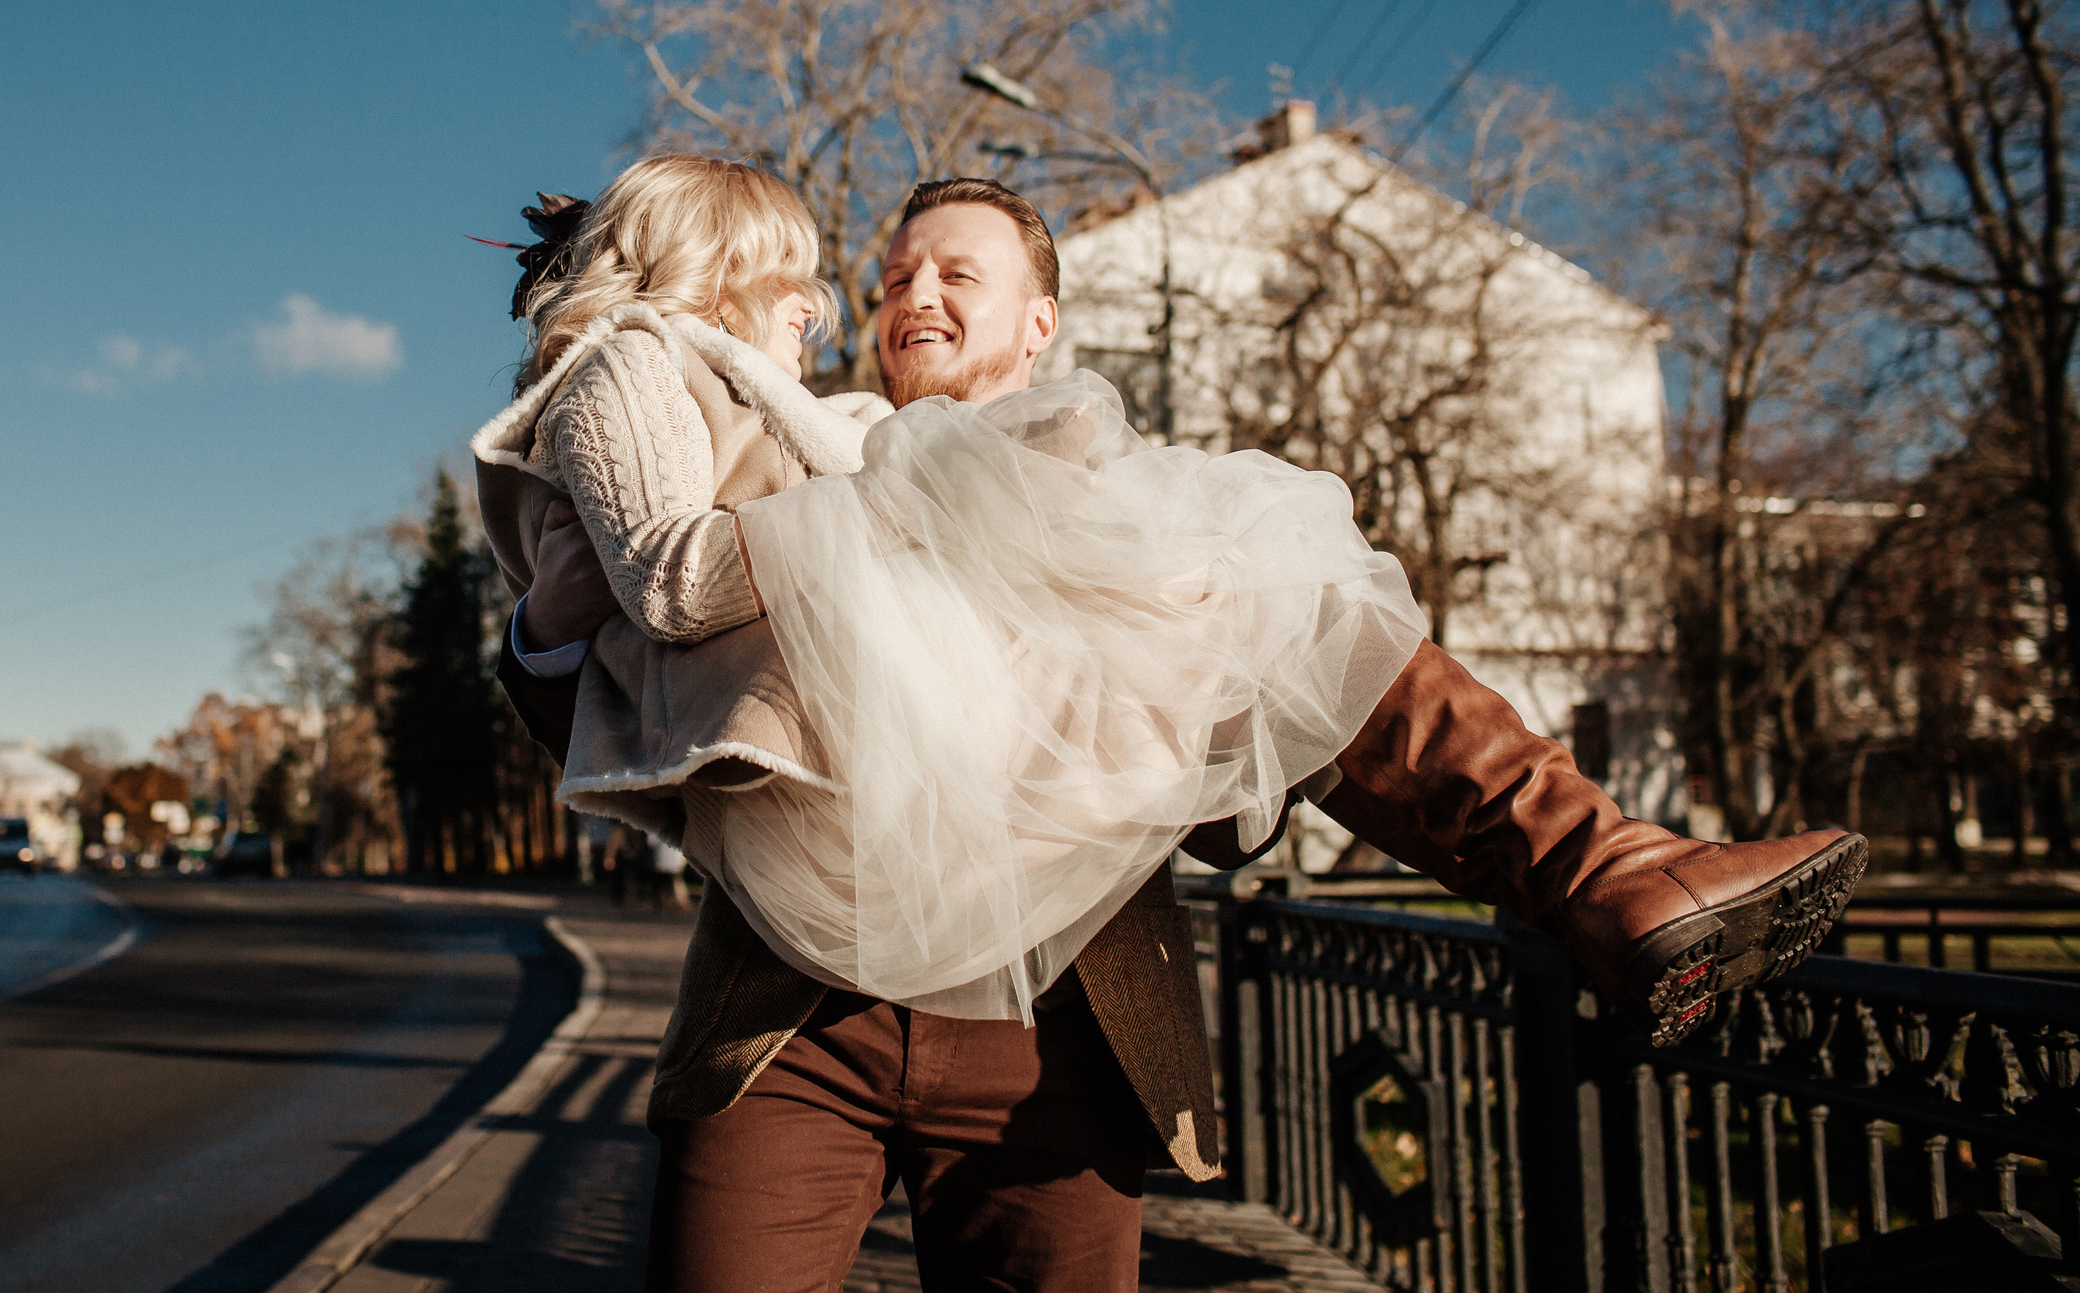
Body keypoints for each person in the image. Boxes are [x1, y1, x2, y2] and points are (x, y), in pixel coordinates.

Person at [484, 167, 1866, 1293]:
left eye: (959, 273)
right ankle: (1615, 877)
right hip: (798, 1022)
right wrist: (546, 628)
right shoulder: (799, 452)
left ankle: (1611, 875)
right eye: (895, 278)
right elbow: (638, 712)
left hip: (1058, 1035)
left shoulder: (1132, 497)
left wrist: (1193, 703)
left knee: (1294, 589)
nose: (914, 295)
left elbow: (1236, 796)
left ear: (1041, 326)